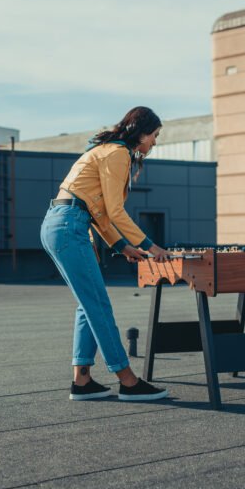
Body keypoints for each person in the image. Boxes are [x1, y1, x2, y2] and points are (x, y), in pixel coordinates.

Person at [40, 106, 171, 401]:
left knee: (88, 304)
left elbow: (99, 212)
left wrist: (122, 246)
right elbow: (115, 211)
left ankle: (82, 381)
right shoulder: (118, 153)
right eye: (154, 135)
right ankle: (128, 381)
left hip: (60, 223)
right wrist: (151, 246)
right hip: (69, 225)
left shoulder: (106, 150)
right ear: (141, 133)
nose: (154, 142)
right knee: (98, 305)